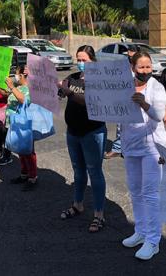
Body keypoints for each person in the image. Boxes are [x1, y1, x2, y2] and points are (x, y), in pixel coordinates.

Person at [121, 51, 166, 260]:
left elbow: (158, 115)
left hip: (153, 147)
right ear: (132, 67)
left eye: (148, 66)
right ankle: (140, 232)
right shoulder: (123, 85)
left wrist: (143, 103)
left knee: (150, 194)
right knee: (135, 191)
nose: (146, 71)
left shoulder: (157, 87)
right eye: (141, 67)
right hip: (131, 145)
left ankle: (153, 240)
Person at [58, 45, 107, 233]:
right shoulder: (72, 78)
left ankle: (99, 215)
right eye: (78, 59)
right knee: (78, 171)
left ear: (93, 61)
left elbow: (91, 103)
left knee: (95, 172)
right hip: (73, 132)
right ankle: (78, 204)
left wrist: (69, 92)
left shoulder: (101, 81)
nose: (80, 63)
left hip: (92, 132)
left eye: (84, 60)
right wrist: (58, 90)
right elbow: (62, 92)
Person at [104, 45, 140, 159]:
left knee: (135, 127)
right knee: (120, 127)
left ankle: (132, 149)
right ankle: (117, 148)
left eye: (132, 54)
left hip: (136, 100)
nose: (130, 56)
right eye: (128, 55)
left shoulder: (141, 66)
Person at [5, 66, 38, 191]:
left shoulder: (30, 88)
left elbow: (24, 100)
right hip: (14, 122)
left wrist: (12, 87)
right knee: (20, 150)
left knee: (28, 151)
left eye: (17, 74)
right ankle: (24, 174)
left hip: (25, 123)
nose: (15, 76)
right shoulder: (18, 87)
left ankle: (33, 177)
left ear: (23, 76)